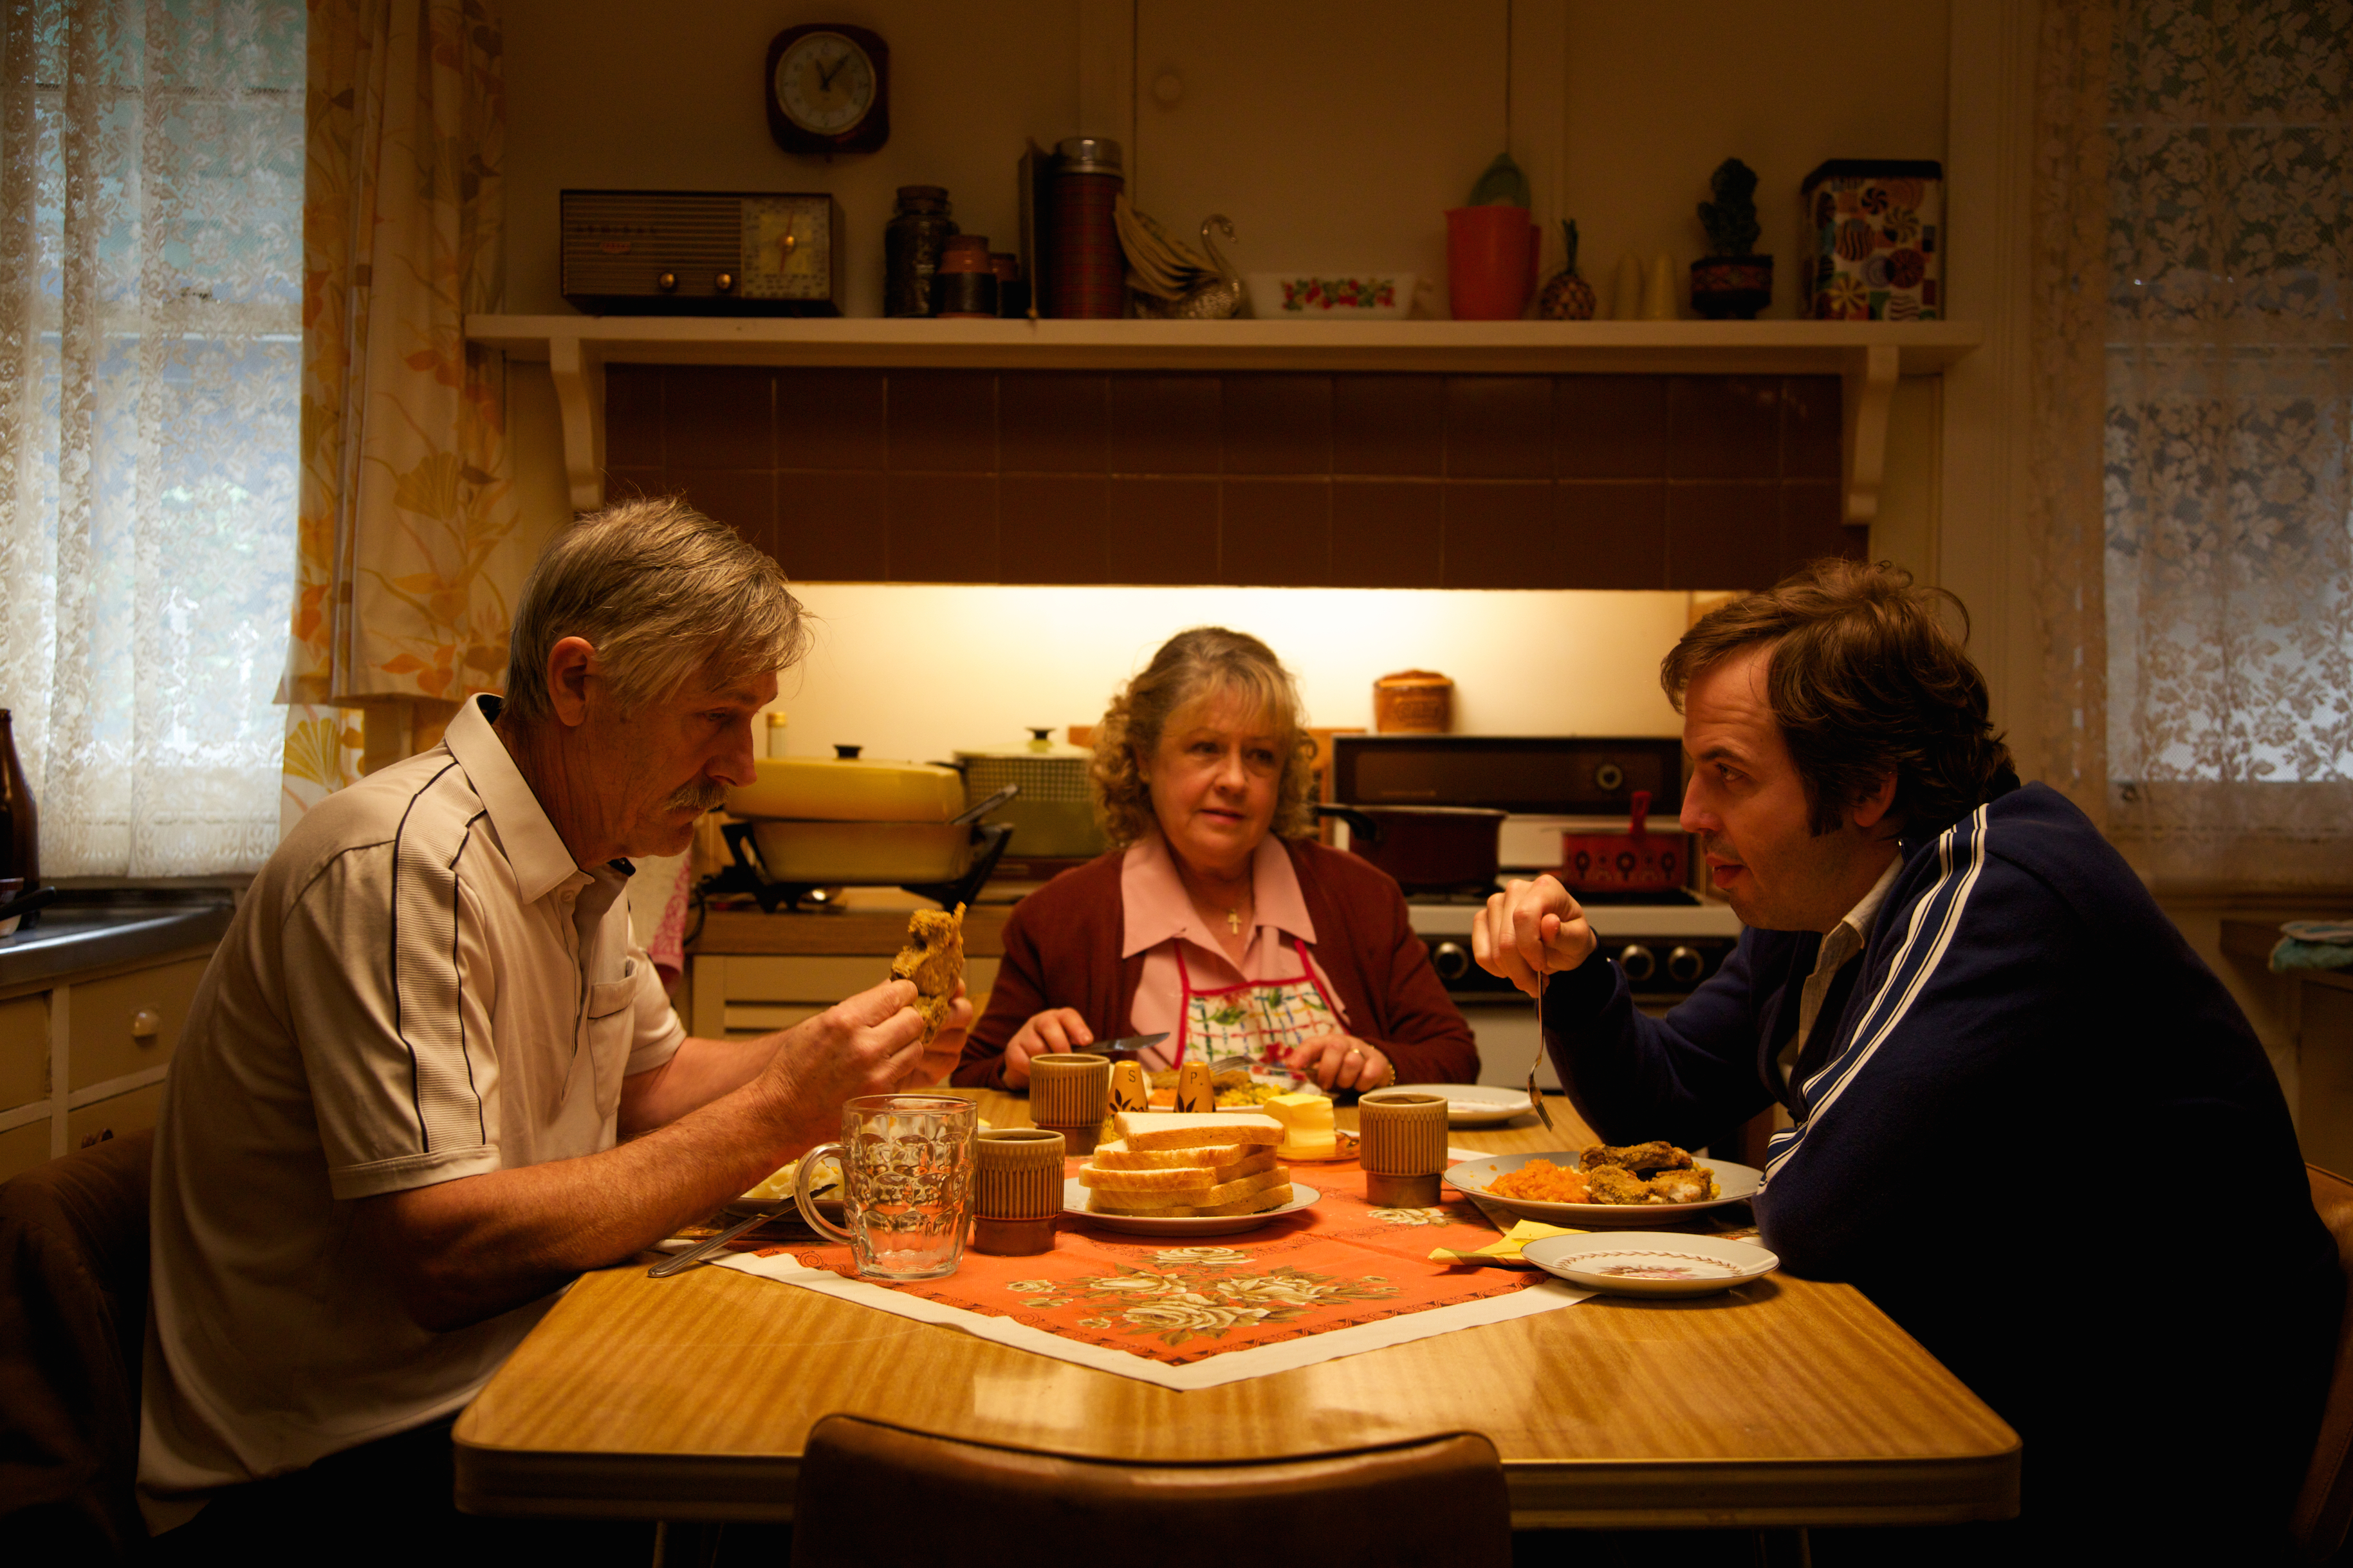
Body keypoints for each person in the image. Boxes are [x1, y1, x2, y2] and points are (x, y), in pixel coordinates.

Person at [140, 499, 967, 1557]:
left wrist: (842, 1063)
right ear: (577, 681)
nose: (742, 765)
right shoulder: (402, 865)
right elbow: (444, 1253)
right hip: (326, 1472)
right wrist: (779, 1111)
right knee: (828, 1483)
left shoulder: (580, 862)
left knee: (840, 1401)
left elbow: (654, 1086)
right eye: (716, 716)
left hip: (502, 1375)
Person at [1475, 560, 2338, 1560]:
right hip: (1966, 1390)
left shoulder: (2001, 884)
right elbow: (1665, 1102)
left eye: (1729, 774)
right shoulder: (1822, 895)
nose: (1689, 817)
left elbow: (1814, 1214)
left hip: (2130, 1469)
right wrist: (1576, 977)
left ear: (1866, 789)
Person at [954, 627, 1475, 1094]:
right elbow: (975, 1072)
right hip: (1151, 1199)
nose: (1234, 779)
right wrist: (1017, 1063)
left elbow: (1454, 1054)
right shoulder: (1055, 919)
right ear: (1142, 757)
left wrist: (1380, 1062)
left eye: (1260, 755)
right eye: (1205, 748)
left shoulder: (1363, 897)